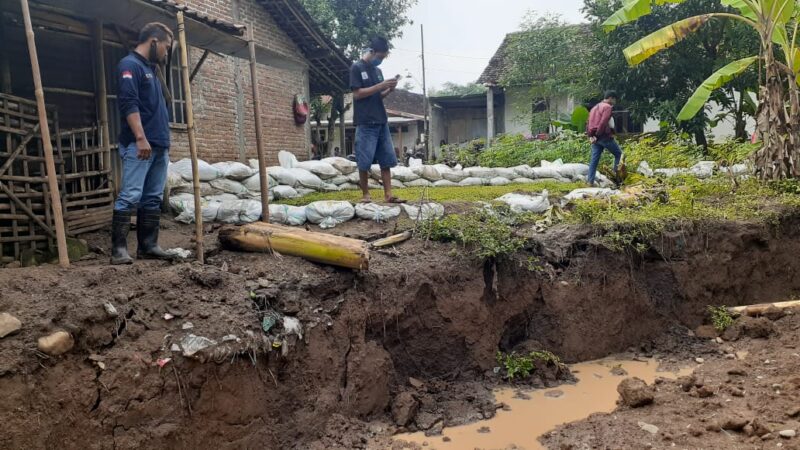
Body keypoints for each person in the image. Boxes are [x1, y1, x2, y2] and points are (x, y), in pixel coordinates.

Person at [111, 23, 174, 265]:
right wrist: (140, 137)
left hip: (159, 146)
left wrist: (163, 142)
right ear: (154, 42)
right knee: (130, 195)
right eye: (166, 48)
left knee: (152, 198)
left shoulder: (151, 70)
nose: (166, 53)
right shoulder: (130, 65)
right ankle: (118, 250)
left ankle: (148, 246)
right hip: (140, 144)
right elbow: (129, 103)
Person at [350, 37, 405, 204]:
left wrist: (388, 89)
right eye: (380, 57)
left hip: (381, 120)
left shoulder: (378, 72)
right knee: (364, 160)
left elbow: (378, 96)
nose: (380, 60)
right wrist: (379, 86)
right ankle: (366, 195)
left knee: (386, 159)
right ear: (372, 52)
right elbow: (357, 94)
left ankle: (388, 194)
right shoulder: (356, 68)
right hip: (365, 121)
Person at [586, 90, 623, 185]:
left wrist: (591, 136)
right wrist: (598, 135)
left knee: (594, 160)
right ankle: (616, 178)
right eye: (614, 100)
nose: (614, 102)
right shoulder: (607, 107)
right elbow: (603, 122)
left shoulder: (594, 107)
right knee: (619, 154)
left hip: (594, 136)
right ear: (610, 98)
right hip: (603, 136)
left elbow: (588, 122)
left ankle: (589, 181)